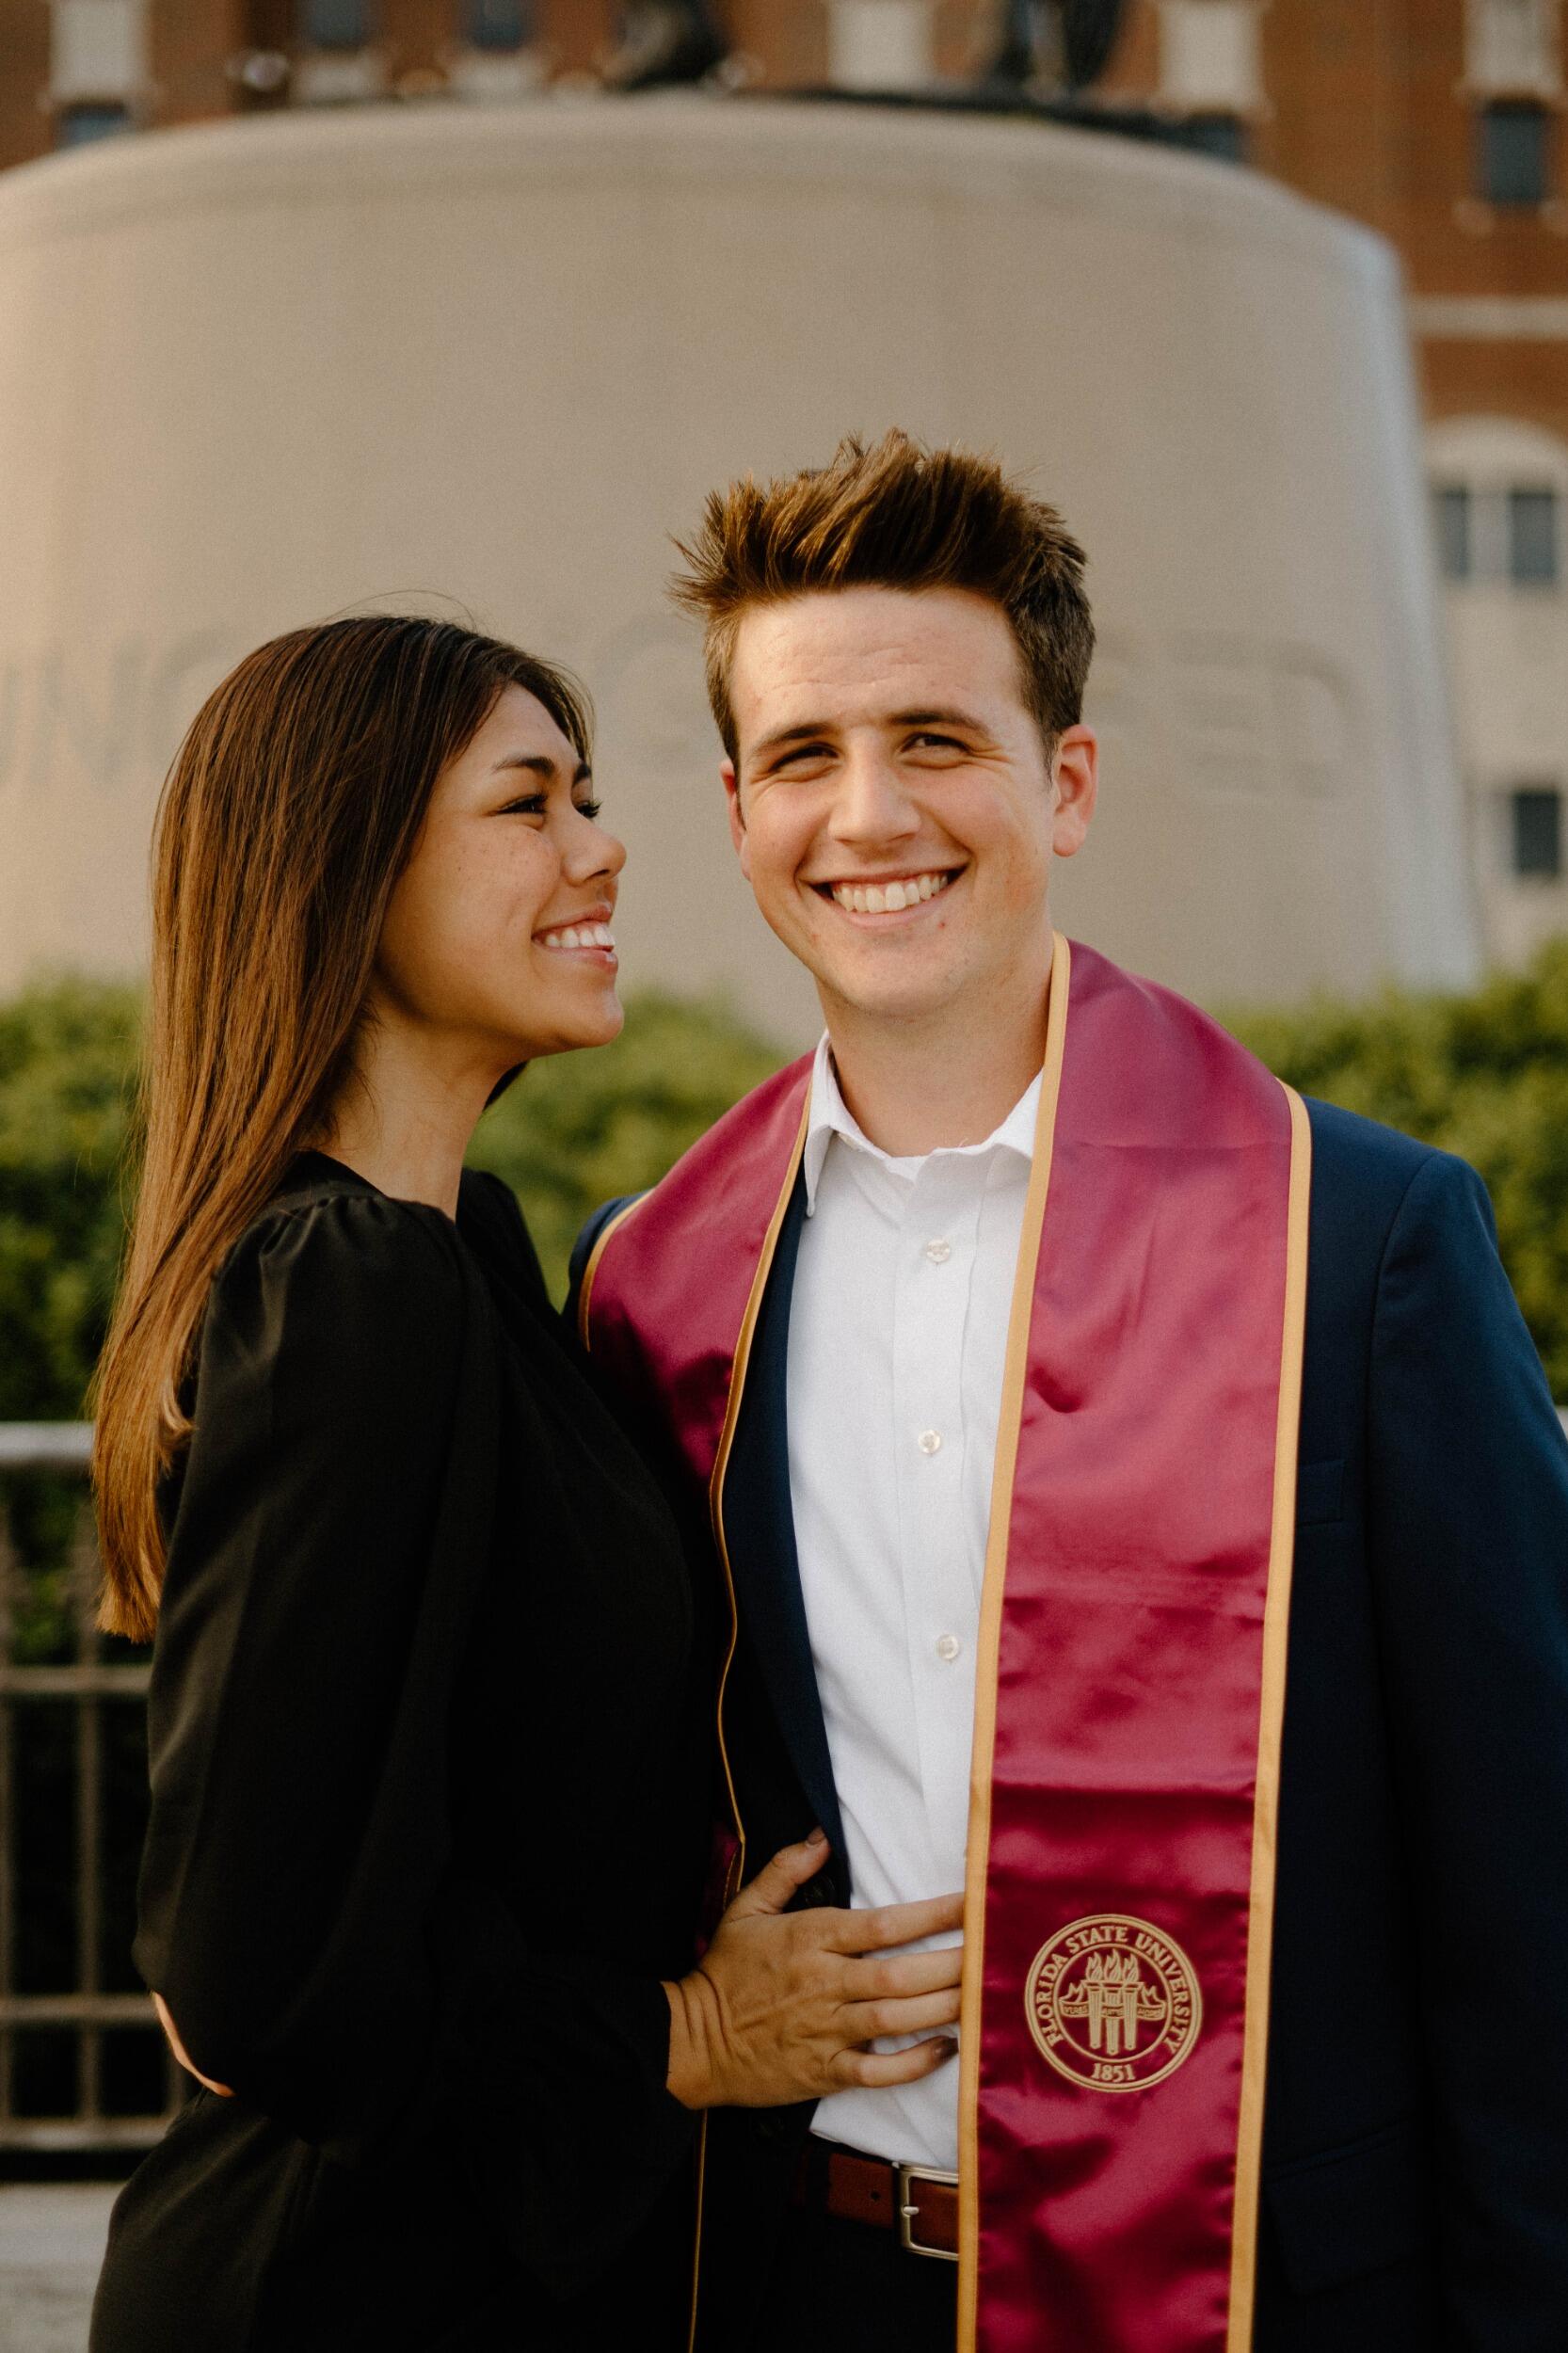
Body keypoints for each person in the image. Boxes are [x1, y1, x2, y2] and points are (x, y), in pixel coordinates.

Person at [570, 434, 1568, 2353]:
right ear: (733, 808)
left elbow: (1525, 1897)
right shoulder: (650, 1286)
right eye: (800, 756)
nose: (867, 812)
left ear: (1068, 779)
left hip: (1265, 2284)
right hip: (802, 2281)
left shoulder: (1353, 1245)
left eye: (935, 738)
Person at [88, 615, 965, 2353]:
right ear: (344, 868)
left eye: (588, 794)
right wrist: (685, 2036)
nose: (602, 845)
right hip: (350, 2292)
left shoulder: (466, 1263)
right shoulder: (349, 1293)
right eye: (527, 804)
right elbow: (251, 1974)